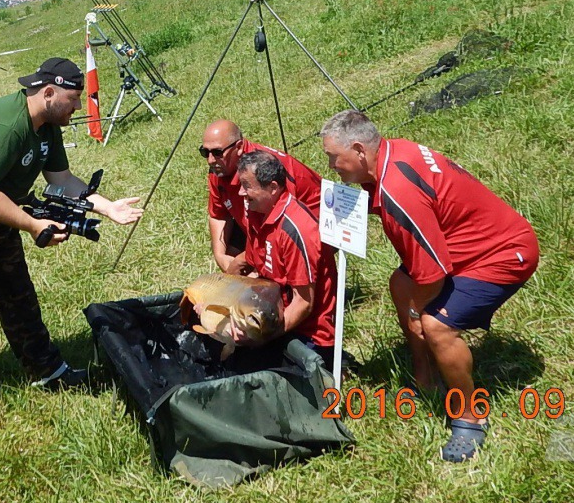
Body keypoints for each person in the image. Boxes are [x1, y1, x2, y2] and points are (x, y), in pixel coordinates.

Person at [0, 57, 142, 426]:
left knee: (18, 294)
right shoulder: (9, 125)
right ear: (48, 93)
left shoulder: (48, 125)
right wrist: (33, 225)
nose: (79, 106)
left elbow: (62, 179)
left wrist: (107, 207)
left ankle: (47, 369)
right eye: (73, 98)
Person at [319, 110, 539, 463]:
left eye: (333, 157)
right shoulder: (395, 152)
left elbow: (432, 275)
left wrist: (416, 311)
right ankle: (426, 374)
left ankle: (469, 416)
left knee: (437, 325)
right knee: (399, 283)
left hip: (502, 254)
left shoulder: (398, 191)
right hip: (463, 248)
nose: (332, 166)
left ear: (359, 150)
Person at [232, 150, 337, 360]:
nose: (241, 193)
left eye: (247, 186)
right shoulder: (256, 211)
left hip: (306, 331)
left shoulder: (296, 229)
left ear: (272, 188)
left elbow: (304, 303)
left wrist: (261, 337)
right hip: (271, 311)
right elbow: (257, 275)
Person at [202, 119, 322, 274]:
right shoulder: (219, 169)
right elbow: (219, 215)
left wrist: (242, 262)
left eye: (217, 153)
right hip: (257, 221)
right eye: (205, 152)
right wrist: (220, 256)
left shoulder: (263, 171)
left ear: (238, 147)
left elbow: (282, 228)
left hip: (304, 230)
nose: (210, 160)